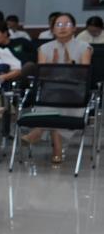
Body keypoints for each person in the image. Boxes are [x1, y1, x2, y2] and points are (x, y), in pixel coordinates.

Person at [26, 12, 93, 163]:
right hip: (51, 91)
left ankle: (40, 129)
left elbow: (84, 76)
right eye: (59, 24)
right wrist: (52, 66)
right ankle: (57, 148)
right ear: (52, 29)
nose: (63, 28)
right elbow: (42, 76)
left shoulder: (84, 47)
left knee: (56, 102)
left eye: (67, 24)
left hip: (75, 92)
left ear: (74, 28)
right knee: (54, 99)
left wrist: (71, 67)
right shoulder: (44, 48)